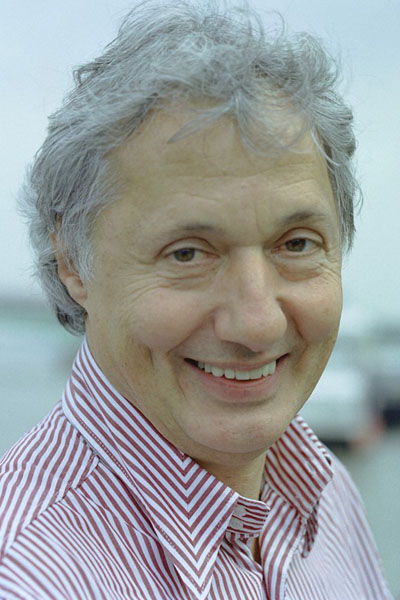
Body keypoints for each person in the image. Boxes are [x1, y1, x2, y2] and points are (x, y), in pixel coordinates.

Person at [0, 1, 393, 599]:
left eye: (296, 244)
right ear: (72, 262)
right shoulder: (33, 577)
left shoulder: (326, 493)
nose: (257, 323)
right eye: (187, 253)